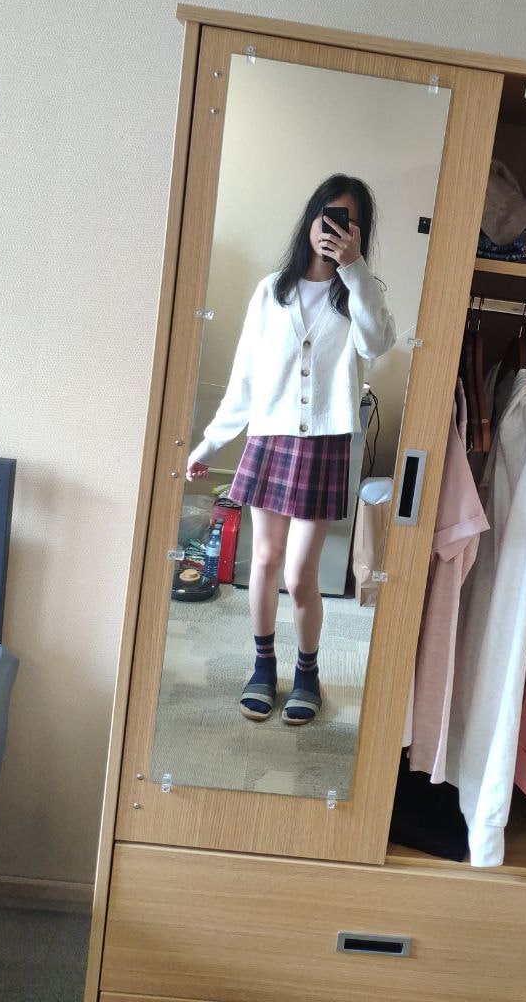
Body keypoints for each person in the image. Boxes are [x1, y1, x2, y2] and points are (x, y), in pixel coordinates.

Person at [186, 175, 396, 725]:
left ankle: (308, 670)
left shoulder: (360, 293)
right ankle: (263, 666)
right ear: (311, 219)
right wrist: (210, 442)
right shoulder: (270, 292)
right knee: (264, 558)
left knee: (302, 573)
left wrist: (354, 270)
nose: (336, 230)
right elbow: (245, 379)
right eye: (330, 216)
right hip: (271, 438)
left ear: (360, 234)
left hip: (324, 444)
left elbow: (378, 343)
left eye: (350, 222)